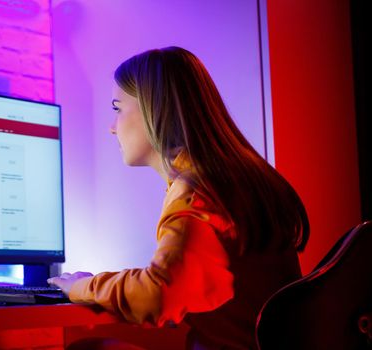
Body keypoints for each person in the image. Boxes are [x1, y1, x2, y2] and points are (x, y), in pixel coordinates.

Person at [48, 46, 309, 349]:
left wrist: (82, 286)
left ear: (153, 109)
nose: (111, 127)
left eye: (118, 108)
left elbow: (160, 293)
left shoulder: (198, 191)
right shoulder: (238, 178)